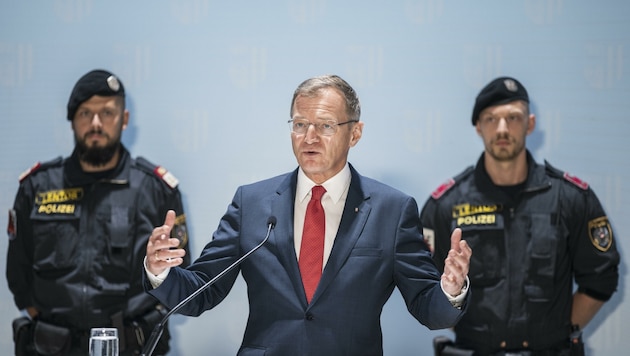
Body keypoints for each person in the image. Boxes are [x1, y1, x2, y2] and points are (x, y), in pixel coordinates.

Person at [143, 74, 472, 355]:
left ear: (354, 133)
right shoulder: (252, 202)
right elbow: (201, 291)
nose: (309, 137)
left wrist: (451, 290)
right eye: (300, 124)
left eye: (326, 126)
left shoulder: (392, 210)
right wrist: (160, 271)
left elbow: (430, 310)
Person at [420, 76, 620, 355]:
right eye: (491, 119)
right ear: (478, 127)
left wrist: (559, 330)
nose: (502, 128)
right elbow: (426, 286)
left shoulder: (570, 198)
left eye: (513, 117)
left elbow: (601, 278)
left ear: (530, 123)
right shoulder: (446, 206)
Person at [6, 69, 191, 356]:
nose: (95, 123)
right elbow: (18, 276)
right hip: (50, 348)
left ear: (124, 119)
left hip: (132, 349)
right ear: (72, 122)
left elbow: (180, 278)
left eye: (107, 113)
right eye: (85, 113)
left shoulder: (156, 190)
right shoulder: (37, 187)